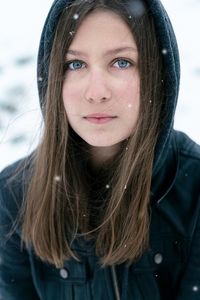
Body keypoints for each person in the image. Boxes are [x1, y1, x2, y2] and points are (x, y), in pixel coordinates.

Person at [0, 0, 200, 299]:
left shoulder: (194, 187)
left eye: (121, 62)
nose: (96, 93)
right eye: (75, 64)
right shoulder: (14, 197)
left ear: (156, 75)